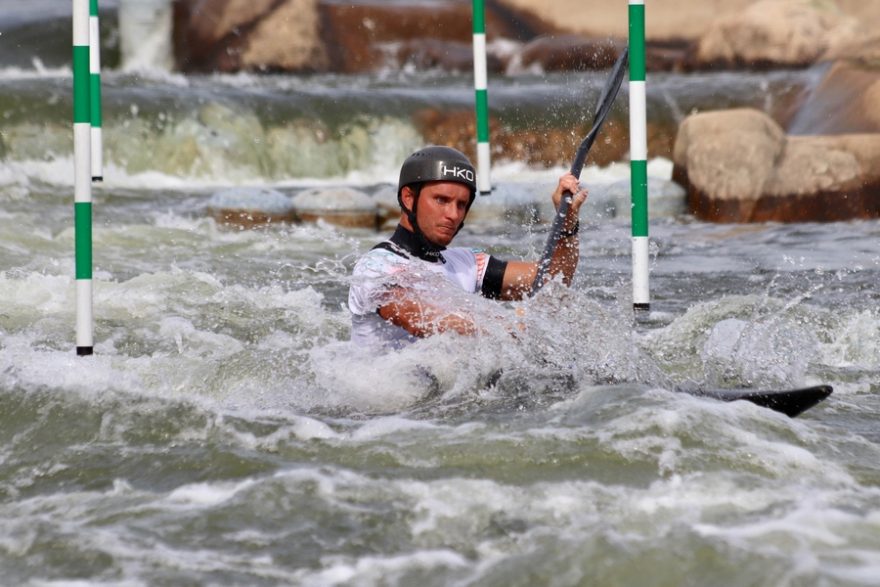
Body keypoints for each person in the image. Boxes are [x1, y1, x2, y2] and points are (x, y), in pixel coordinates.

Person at [348, 145, 587, 349]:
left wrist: (566, 225)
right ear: (409, 198)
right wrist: (510, 329)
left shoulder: (467, 263)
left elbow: (553, 282)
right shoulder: (377, 265)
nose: (453, 214)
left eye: (461, 204)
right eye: (441, 200)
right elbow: (418, 319)